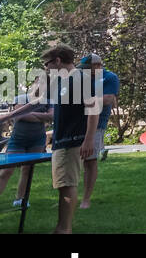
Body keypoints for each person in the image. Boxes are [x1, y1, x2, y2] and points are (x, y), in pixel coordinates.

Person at [1, 45, 98, 234]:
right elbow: (35, 103)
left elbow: (94, 109)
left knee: (68, 184)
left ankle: (63, 229)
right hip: (61, 141)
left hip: (72, 141)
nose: (46, 68)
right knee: (63, 185)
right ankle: (62, 228)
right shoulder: (61, 82)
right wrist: (5, 117)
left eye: (47, 64)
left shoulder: (79, 79)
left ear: (58, 61)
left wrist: (88, 140)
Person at [0, 85, 53, 209]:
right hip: (18, 139)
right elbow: (19, 116)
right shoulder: (22, 98)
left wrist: (30, 114)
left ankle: (20, 199)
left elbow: (51, 117)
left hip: (37, 140)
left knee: (27, 170)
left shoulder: (49, 101)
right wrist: (42, 117)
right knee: (7, 170)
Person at [79, 54, 117, 209]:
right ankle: (70, 196)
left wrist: (83, 101)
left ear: (97, 65)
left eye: (87, 68)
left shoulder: (109, 77)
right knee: (72, 162)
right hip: (75, 122)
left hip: (96, 123)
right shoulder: (81, 76)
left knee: (90, 160)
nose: (84, 71)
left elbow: (108, 99)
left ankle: (86, 199)